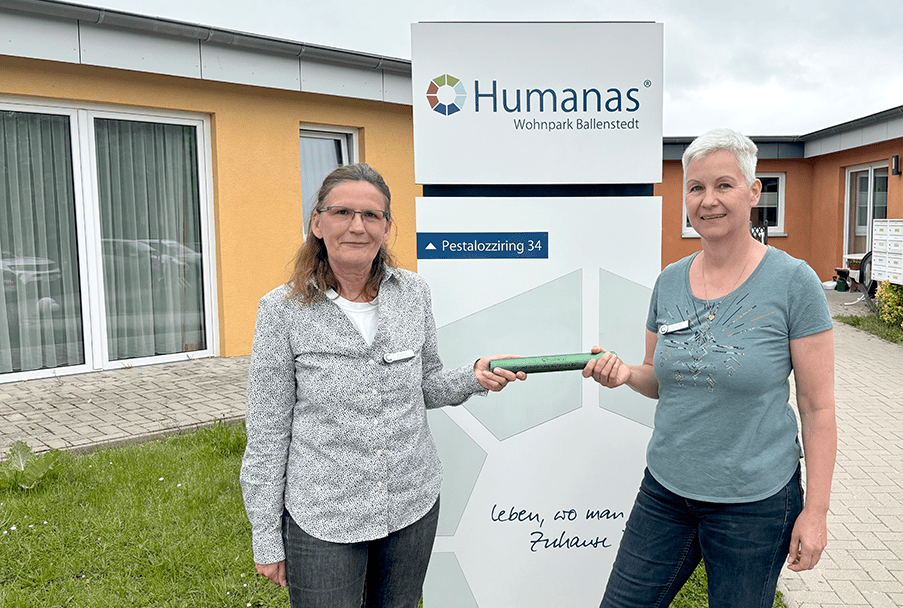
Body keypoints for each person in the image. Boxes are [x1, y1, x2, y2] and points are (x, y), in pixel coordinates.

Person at [240, 162, 525, 608]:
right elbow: (267, 431)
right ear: (317, 223)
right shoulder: (282, 311)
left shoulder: (413, 294)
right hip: (325, 519)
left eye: (371, 216)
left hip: (411, 505)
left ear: (388, 228)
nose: (357, 226)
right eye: (342, 212)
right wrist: (266, 535)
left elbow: (425, 385)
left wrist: (474, 376)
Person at [583, 128, 836, 608]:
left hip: (755, 502)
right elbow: (660, 379)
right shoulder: (670, 281)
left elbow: (818, 406)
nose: (708, 200)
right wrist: (624, 374)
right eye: (696, 188)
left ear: (754, 191)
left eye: (724, 185)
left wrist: (816, 512)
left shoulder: (793, 282)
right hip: (667, 491)